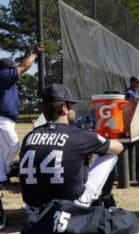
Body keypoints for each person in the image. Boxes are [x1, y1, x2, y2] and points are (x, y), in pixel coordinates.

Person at [19, 83, 124, 213]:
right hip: (68, 208)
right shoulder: (79, 135)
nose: (73, 109)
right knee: (110, 153)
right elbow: (119, 147)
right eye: (71, 106)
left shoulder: (29, 136)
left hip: (33, 209)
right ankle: (106, 197)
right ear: (64, 109)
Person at [0, 42, 44, 187]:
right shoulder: (3, 76)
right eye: (12, 68)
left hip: (5, 119)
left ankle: (2, 175)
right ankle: (3, 174)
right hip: (2, 119)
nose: (15, 72)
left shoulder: (6, 80)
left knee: (5, 149)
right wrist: (35, 53)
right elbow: (24, 67)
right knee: (13, 146)